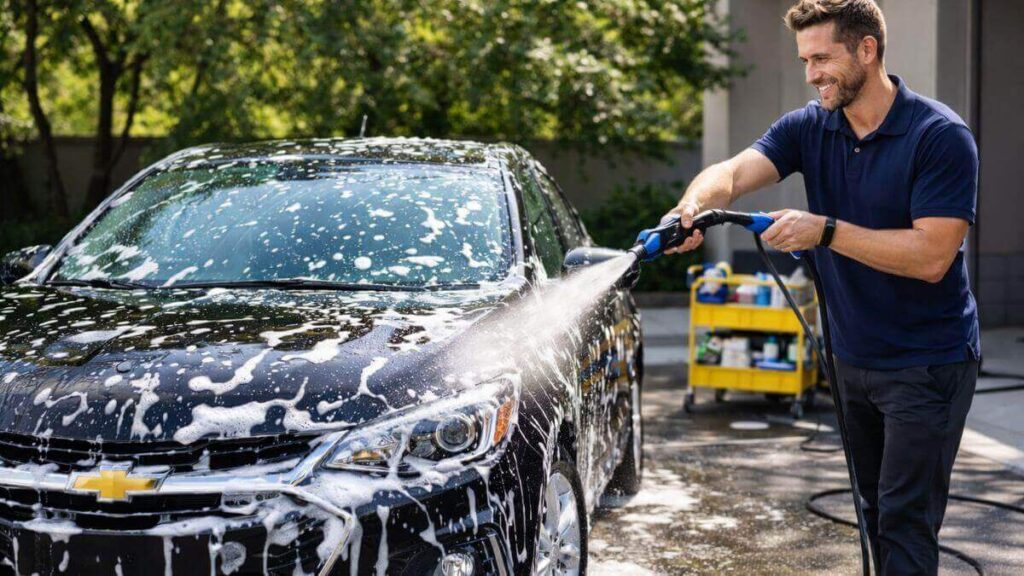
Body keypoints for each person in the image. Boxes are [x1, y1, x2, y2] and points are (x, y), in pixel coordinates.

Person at [666, 1, 979, 574]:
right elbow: (732, 173)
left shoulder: (939, 136)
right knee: (870, 511)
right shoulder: (810, 126)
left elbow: (933, 256)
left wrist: (825, 231)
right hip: (850, 357)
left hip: (927, 361)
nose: (812, 74)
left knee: (905, 517)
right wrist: (692, 207)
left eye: (821, 58)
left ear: (867, 49)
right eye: (804, 60)